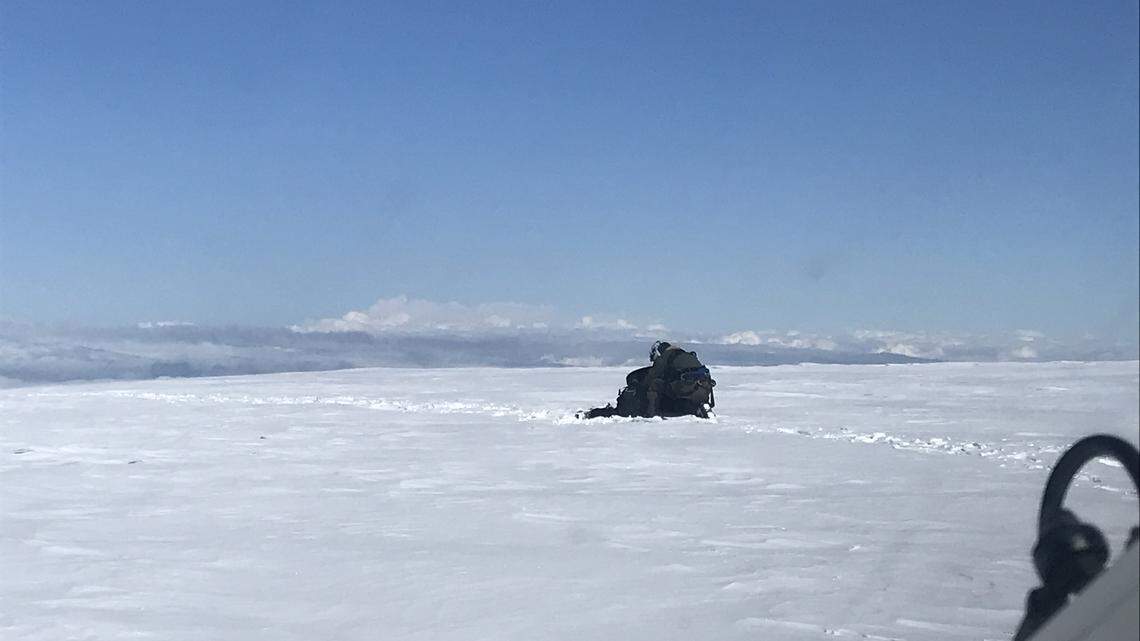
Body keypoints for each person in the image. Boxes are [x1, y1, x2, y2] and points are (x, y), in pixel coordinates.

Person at [578, 341, 716, 419]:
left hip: (686, 386)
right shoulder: (686, 355)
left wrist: (640, 389)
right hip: (704, 390)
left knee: (655, 386)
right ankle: (698, 408)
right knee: (675, 395)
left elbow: (652, 377)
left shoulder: (665, 357)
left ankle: (651, 413)